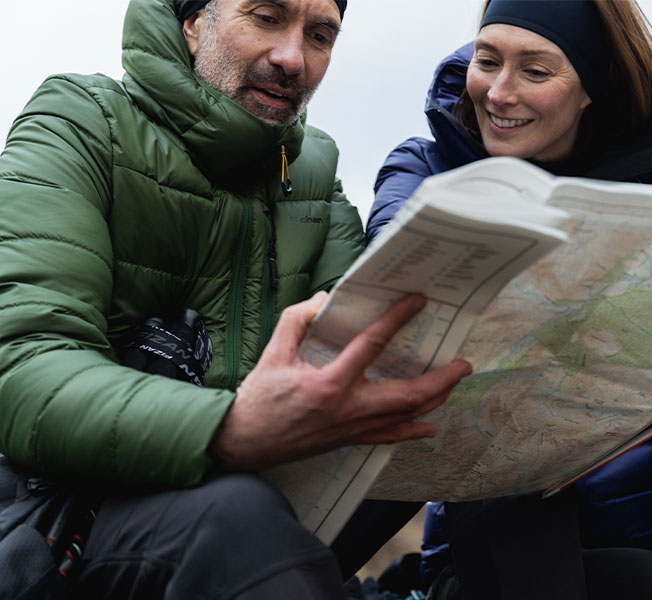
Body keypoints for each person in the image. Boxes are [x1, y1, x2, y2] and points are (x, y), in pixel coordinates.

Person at [0, 0, 473, 598]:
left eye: (321, 35)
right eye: (266, 17)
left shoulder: (315, 178)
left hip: (267, 520)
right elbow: (24, 369)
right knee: (239, 518)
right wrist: (229, 427)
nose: (293, 59)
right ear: (193, 22)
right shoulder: (78, 123)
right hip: (66, 519)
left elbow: (381, 350)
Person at [367, 1, 652, 598]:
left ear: (595, 86)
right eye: (487, 60)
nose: (498, 91)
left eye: (536, 72)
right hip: (507, 524)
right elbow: (392, 303)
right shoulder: (424, 168)